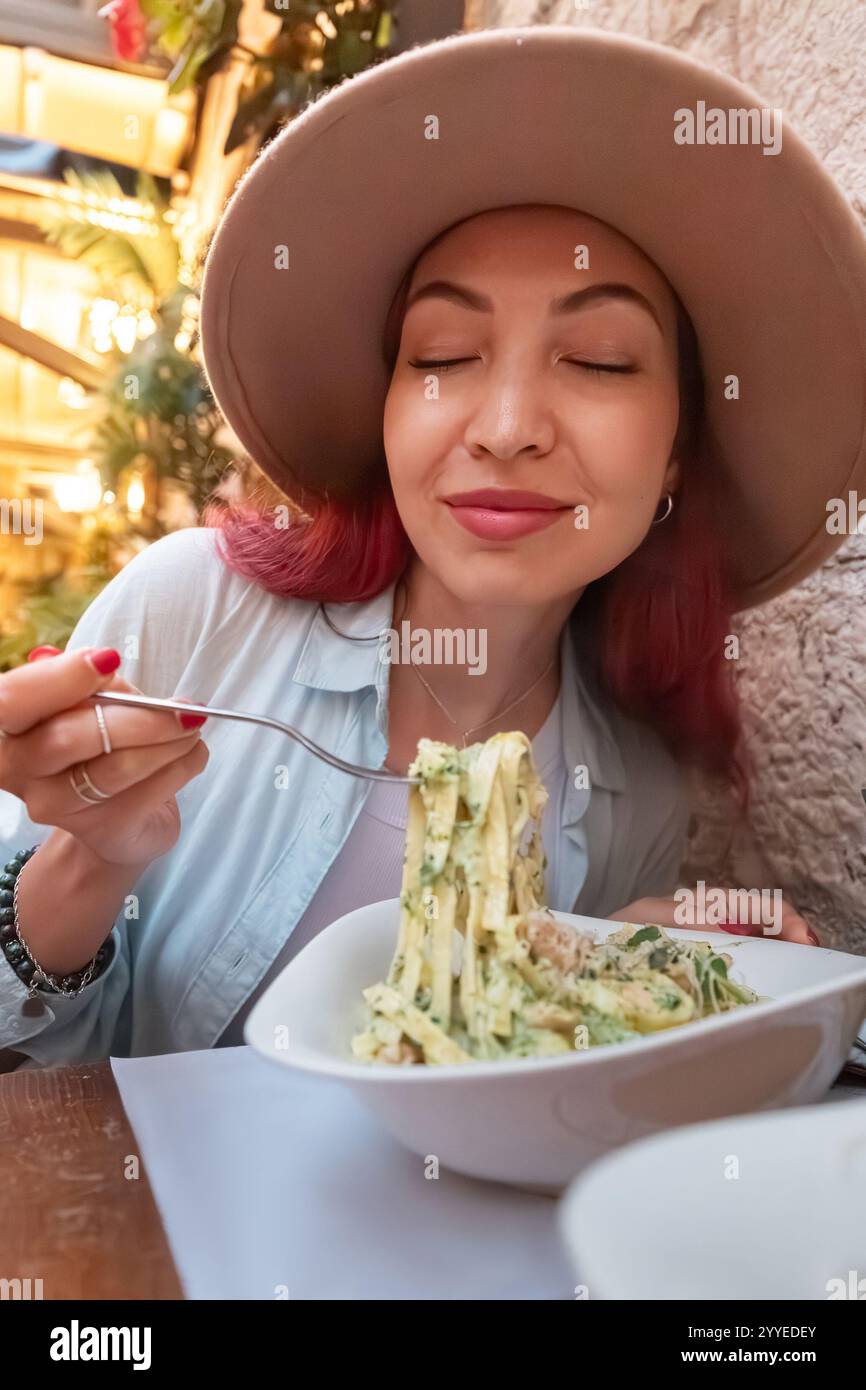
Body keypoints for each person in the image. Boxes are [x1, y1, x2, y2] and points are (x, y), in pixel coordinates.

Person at [2, 25, 863, 1066]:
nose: (504, 425)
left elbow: (510, 1097)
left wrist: (631, 978)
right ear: (387, 411)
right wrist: (91, 860)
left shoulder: (637, 779)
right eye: (443, 356)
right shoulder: (192, 617)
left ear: (677, 449)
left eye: (596, 361)